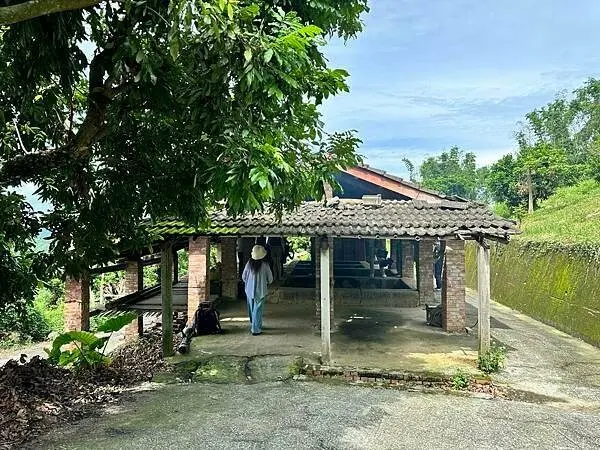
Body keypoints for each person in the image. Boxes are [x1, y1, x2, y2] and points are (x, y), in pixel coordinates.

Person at [242, 245, 273, 336]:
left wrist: (248, 282)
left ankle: (254, 324)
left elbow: (243, 277)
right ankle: (255, 329)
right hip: (261, 291)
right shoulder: (265, 265)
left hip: (249, 290)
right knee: (258, 309)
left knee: (251, 309)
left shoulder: (249, 264)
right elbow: (270, 279)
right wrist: (266, 282)